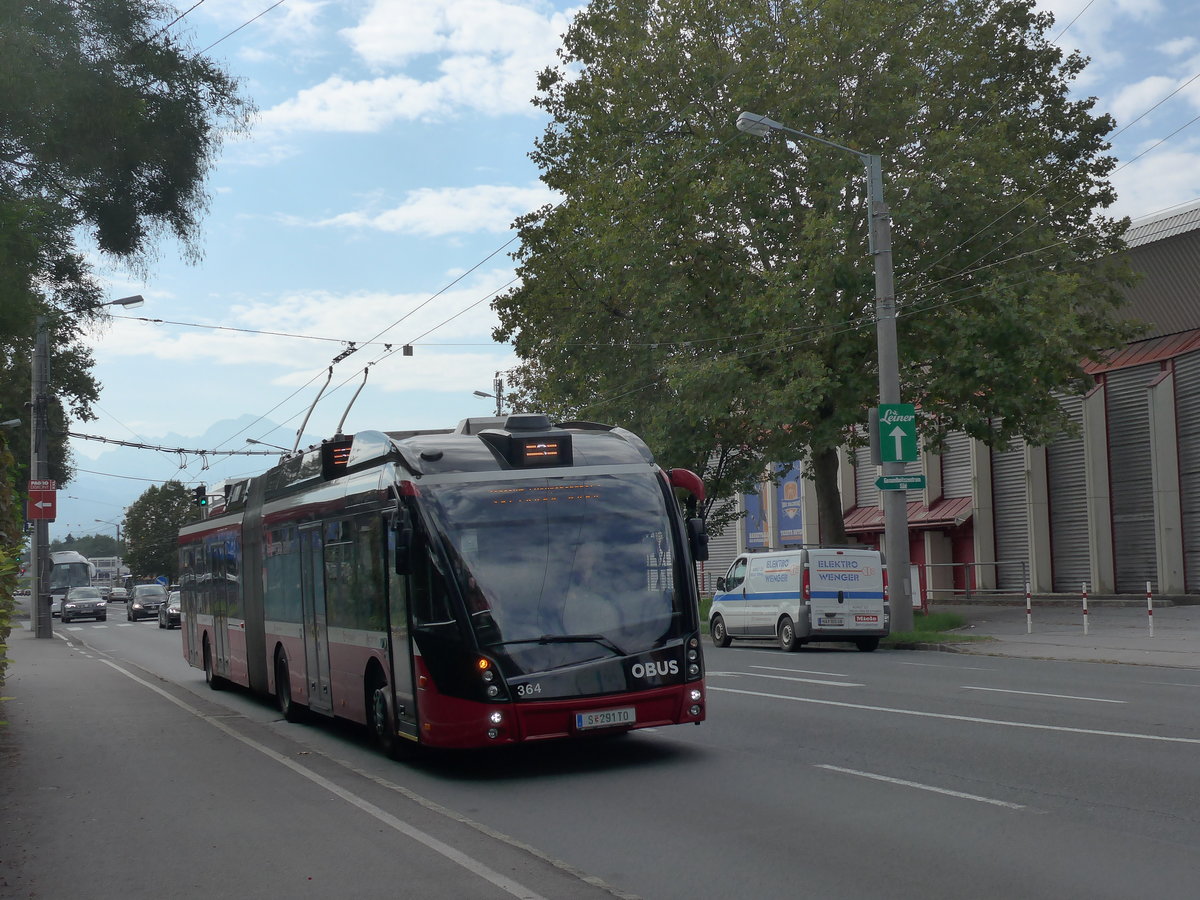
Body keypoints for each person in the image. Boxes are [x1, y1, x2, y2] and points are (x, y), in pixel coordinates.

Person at [561, 541, 624, 634]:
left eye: (588, 556)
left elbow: (615, 601)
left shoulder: (606, 579)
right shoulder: (567, 580)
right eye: (580, 557)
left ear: (595, 559)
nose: (584, 560)